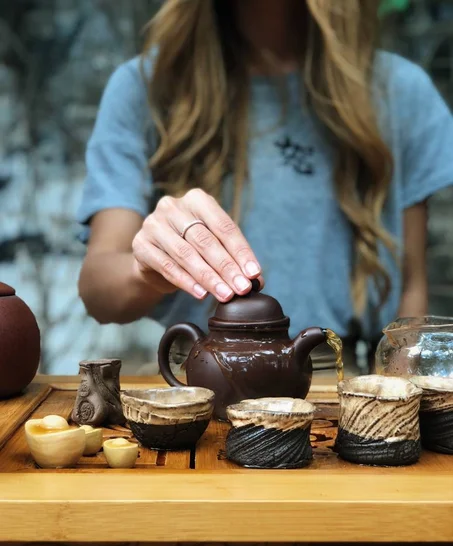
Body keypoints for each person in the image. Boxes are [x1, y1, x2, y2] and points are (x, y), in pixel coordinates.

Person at [77, 0, 453, 370]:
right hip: (197, 378)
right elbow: (99, 292)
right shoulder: (145, 87)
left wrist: (398, 405)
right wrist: (147, 271)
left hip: (340, 382)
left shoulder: (399, 92)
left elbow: (410, 290)